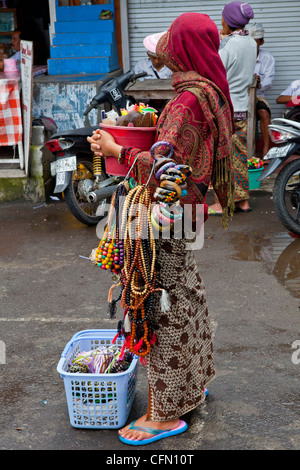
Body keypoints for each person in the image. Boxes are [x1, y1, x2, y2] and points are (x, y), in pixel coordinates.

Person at [87, 12, 234, 445]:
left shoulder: (186, 101)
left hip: (163, 217)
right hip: (189, 213)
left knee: (158, 307)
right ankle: (193, 382)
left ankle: (165, 412)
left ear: (183, 47)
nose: (165, 43)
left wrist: (116, 149)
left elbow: (165, 171)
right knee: (187, 294)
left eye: (172, 37)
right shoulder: (210, 91)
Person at [209, 1, 257, 216]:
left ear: (227, 21)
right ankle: (242, 201)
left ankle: (223, 203)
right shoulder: (251, 42)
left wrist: (220, 43)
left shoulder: (228, 46)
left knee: (223, 157)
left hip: (225, 108)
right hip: (241, 106)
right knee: (238, 154)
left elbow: (215, 69)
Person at [247, 22, 275, 157]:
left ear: (262, 42)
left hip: (258, 95)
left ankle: (266, 151)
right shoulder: (240, 55)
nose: (252, 45)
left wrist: (259, 84)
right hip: (240, 94)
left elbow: (269, 81)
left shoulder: (267, 58)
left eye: (256, 42)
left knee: (264, 112)